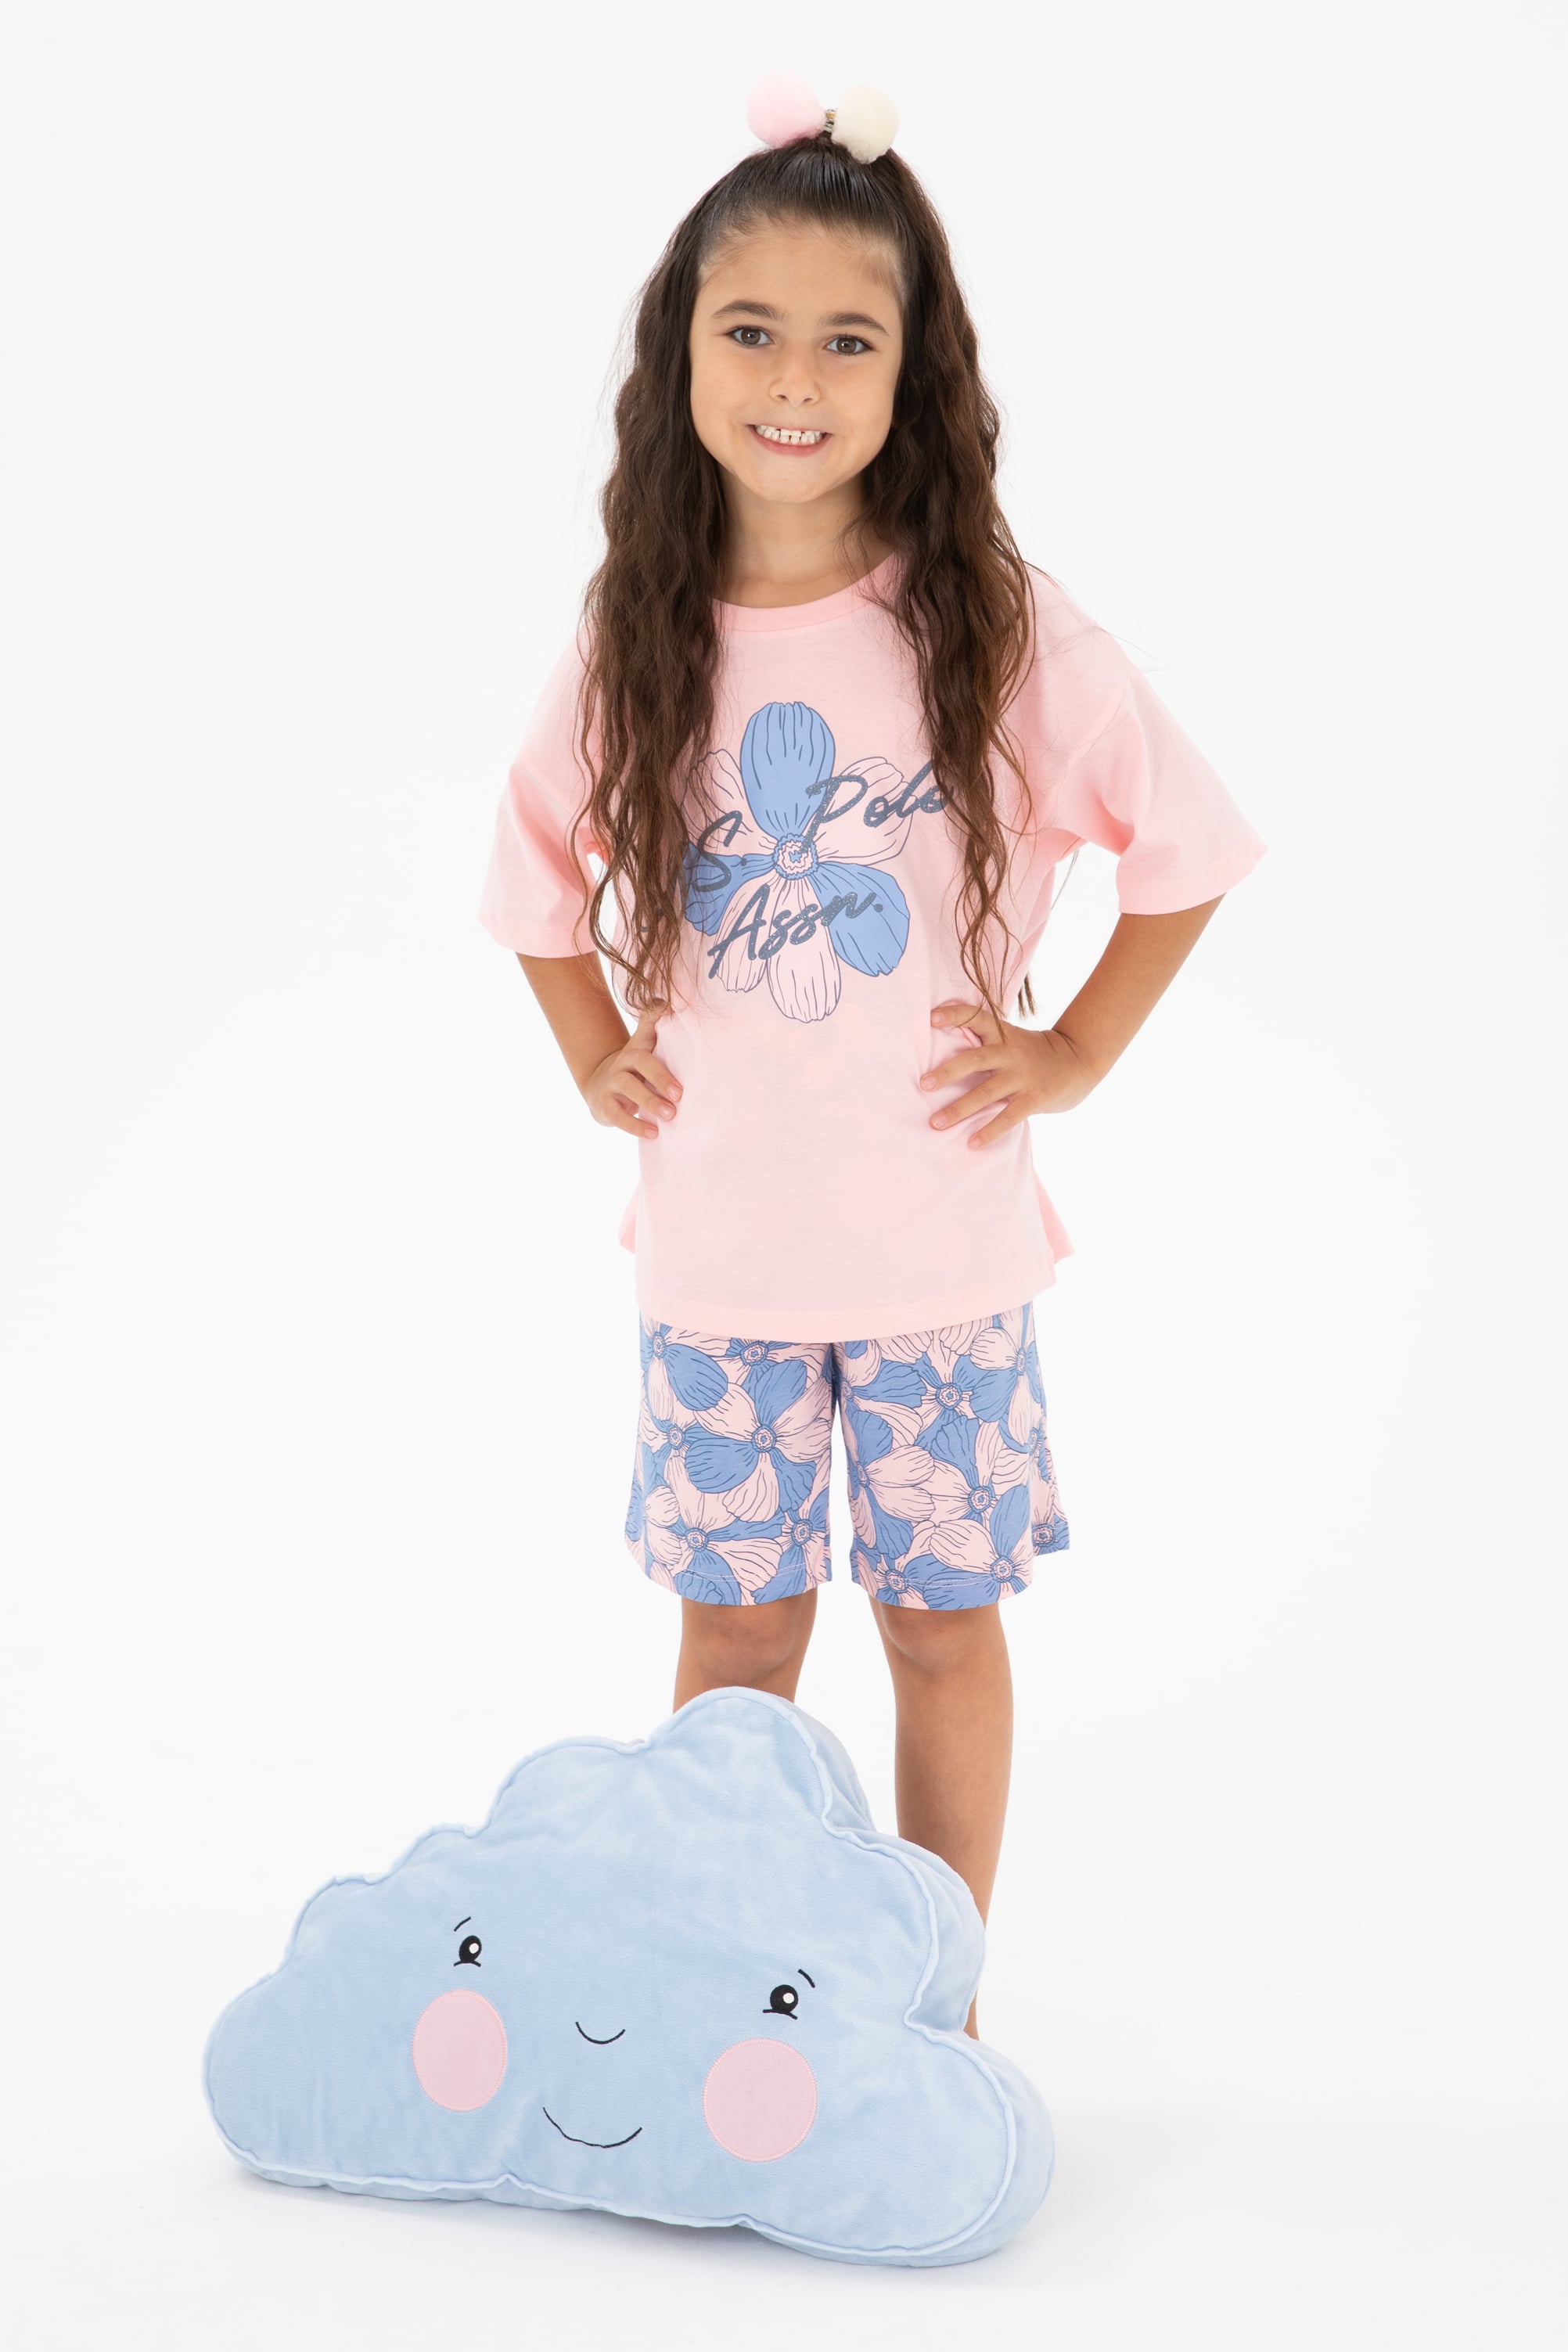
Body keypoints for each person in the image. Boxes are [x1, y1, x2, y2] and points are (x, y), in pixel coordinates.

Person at [478, 80, 1265, 2040]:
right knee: (740, 1639)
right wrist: (593, 1052)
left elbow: (1186, 846)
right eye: (752, 330)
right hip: (722, 1262)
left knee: (937, 1629)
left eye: (851, 338)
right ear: (680, 354)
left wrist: (1072, 1048)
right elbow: (531, 866)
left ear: (917, 371)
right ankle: (712, 1992)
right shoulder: (639, 632)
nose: (797, 379)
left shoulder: (993, 625)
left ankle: (935, 2008)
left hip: (941, 1259)